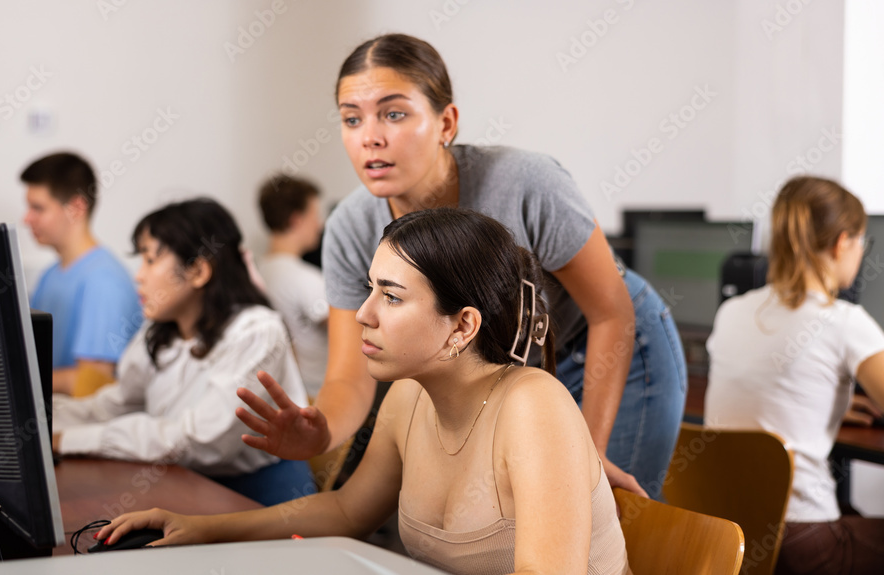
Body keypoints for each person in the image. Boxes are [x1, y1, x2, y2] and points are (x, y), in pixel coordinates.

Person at [237, 33, 686, 499]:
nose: (370, 136)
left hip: (613, 347)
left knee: (595, 509)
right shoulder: (351, 227)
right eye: (352, 119)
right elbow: (349, 376)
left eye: (393, 113)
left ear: (446, 121)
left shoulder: (526, 184)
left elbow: (611, 312)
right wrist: (321, 431)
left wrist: (586, 450)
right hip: (514, 368)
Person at [98, 209, 632, 575]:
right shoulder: (408, 397)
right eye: (370, 288)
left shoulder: (533, 405)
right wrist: (203, 529)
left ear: (462, 327)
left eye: (392, 297)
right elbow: (348, 512)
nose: (363, 314)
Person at [52, 198, 314, 506]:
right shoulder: (161, 329)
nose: (139, 275)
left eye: (150, 260)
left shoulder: (257, 331)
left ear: (198, 270)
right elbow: (117, 405)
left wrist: (72, 440)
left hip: (256, 495)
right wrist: (43, 422)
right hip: (182, 482)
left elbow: (200, 441)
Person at [705, 176, 884, 575]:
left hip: (731, 535)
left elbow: (772, 392)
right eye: (861, 242)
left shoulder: (732, 311)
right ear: (842, 243)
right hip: (803, 544)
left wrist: (825, 403)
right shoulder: (842, 321)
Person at [21, 152, 142, 396]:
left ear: (76, 208)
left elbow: (94, 384)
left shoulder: (105, 282)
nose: (26, 219)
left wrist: (15, 382)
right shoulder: (50, 275)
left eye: (38, 208)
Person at [256, 174, 330, 397]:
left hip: (281, 395)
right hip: (316, 396)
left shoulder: (258, 271)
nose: (319, 225)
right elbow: (354, 334)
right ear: (296, 220)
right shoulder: (306, 279)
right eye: (314, 216)